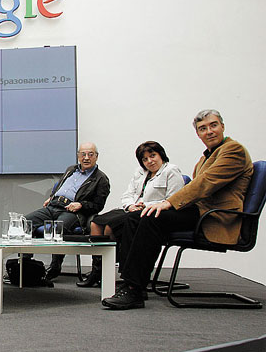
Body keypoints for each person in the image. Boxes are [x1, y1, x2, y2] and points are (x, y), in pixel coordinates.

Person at [102, 110, 253, 310]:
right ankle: (134, 283)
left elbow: (206, 183)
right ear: (198, 134)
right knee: (135, 218)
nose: (209, 131)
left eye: (213, 125)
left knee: (152, 217)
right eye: (203, 128)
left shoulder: (233, 150)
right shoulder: (207, 157)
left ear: (222, 126)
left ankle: (133, 288)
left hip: (215, 216)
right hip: (199, 211)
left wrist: (169, 203)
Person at [78, 141, 185, 287]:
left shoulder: (171, 171)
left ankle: (112, 269)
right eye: (145, 159)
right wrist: (130, 205)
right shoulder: (141, 172)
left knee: (110, 227)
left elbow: (173, 199)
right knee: (96, 223)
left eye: (153, 156)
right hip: (132, 209)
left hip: (151, 212)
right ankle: (97, 271)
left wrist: (146, 205)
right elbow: (128, 194)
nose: (149, 161)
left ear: (161, 155)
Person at [24, 142, 110, 281]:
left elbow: (98, 205)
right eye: (83, 154)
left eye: (90, 154)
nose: (86, 158)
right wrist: (52, 197)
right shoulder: (71, 170)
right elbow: (61, 187)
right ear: (78, 156)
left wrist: (81, 205)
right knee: (24, 222)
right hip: (53, 206)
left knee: (56, 229)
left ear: (96, 156)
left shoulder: (101, 179)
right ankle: (24, 267)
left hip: (73, 212)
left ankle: (55, 266)